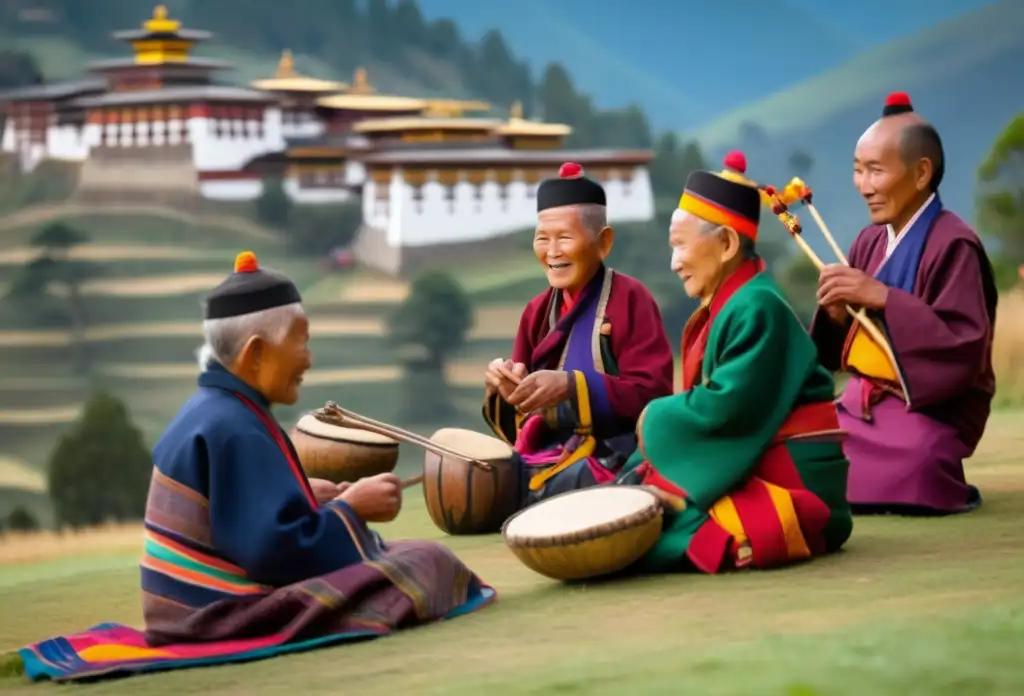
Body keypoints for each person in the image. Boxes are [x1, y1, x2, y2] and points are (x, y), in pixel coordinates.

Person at [19, 251, 494, 683]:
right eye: (300, 343)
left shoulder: (212, 409)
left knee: (406, 555)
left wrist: (308, 497)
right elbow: (274, 552)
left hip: (182, 611)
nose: (308, 359)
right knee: (426, 563)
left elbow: (243, 518)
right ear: (256, 353)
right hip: (218, 614)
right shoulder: (236, 426)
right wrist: (352, 508)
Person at [617, 152, 852, 574]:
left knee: (643, 535)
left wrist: (654, 416)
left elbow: (729, 409)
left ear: (725, 244)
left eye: (680, 246)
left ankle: (744, 538)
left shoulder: (758, 306)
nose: (673, 263)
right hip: (754, 463)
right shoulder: (736, 304)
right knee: (637, 515)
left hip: (796, 483)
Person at [810, 92, 998, 515]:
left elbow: (962, 344)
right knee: (801, 443)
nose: (864, 186)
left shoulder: (955, 244)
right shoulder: (868, 241)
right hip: (862, 408)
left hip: (929, 414)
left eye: (875, 171)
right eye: (858, 171)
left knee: (920, 465)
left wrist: (881, 296)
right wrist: (837, 313)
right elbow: (841, 352)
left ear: (921, 174)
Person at [481, 162, 675, 506]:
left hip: (616, 455)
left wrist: (572, 386)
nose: (552, 252)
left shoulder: (631, 299)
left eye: (565, 238)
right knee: (477, 476)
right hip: (549, 453)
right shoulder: (537, 312)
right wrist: (505, 388)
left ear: (604, 242)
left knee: (542, 491)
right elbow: (522, 421)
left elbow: (654, 397)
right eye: (542, 239)